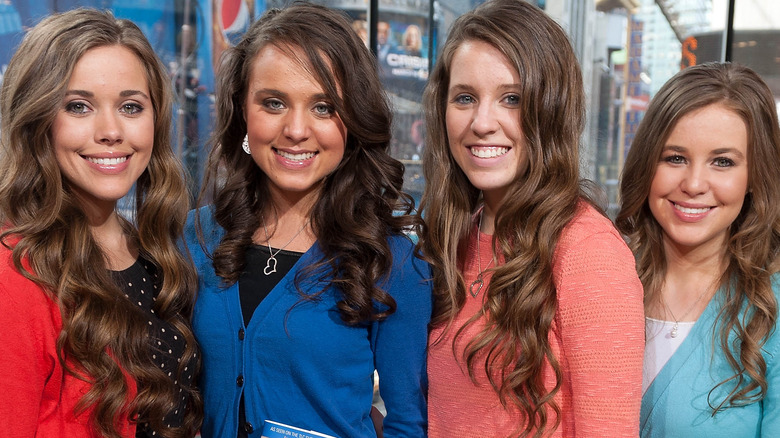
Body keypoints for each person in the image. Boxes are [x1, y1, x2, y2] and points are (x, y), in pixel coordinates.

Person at [185, 4, 431, 438]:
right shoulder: (196, 236)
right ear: (243, 109)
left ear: (353, 121)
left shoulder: (391, 263)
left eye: (323, 107)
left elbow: (406, 422)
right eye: (274, 103)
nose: (296, 130)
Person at [418, 1, 645, 436]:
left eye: (512, 99)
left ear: (551, 109)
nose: (482, 122)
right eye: (465, 98)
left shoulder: (588, 251)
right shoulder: (455, 234)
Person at [0, 8, 201, 438]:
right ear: (38, 121)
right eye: (78, 106)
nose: (111, 131)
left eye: (131, 106)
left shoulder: (157, 255)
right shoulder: (15, 272)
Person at [617, 62, 780, 436]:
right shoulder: (601, 280)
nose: (693, 183)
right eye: (675, 158)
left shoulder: (771, 308)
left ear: (754, 175)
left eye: (722, 162)